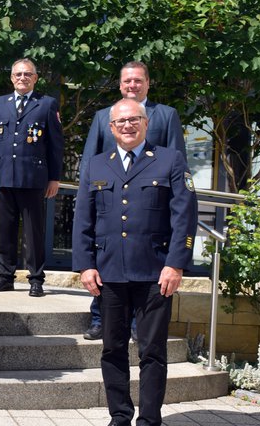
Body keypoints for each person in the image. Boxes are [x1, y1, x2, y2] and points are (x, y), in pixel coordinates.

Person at [73, 98, 197, 426]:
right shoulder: (97, 164)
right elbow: (83, 218)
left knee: (152, 351)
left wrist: (176, 263)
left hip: (156, 273)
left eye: (134, 120)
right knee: (112, 349)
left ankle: (149, 419)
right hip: (109, 272)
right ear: (111, 128)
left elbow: (185, 216)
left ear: (145, 124)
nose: (127, 126)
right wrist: (85, 265)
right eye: (120, 122)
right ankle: (119, 416)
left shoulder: (170, 160)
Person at [80, 61, 187, 341]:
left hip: (150, 211)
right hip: (110, 202)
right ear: (120, 85)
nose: (132, 85)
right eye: (127, 81)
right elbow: (90, 162)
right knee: (106, 270)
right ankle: (98, 319)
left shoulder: (166, 115)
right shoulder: (105, 116)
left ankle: (141, 326)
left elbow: (178, 162)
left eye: (138, 80)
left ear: (148, 83)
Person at [0, 58, 64, 297]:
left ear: (35, 78)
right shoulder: (0, 103)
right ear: (11, 77)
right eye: (18, 74)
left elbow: (55, 144)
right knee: (6, 229)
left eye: (27, 74)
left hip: (33, 177)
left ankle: (36, 279)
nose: (22, 78)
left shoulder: (46, 104)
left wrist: (54, 178)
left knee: (33, 231)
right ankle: (5, 276)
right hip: (4, 176)